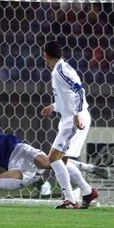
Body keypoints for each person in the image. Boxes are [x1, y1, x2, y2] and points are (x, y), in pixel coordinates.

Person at [41, 40, 98, 209]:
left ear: (45, 55)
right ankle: (88, 192)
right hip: (69, 118)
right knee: (62, 160)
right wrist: (53, 106)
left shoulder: (61, 70)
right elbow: (66, 95)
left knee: (53, 159)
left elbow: (79, 90)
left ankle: (70, 199)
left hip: (74, 119)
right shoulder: (59, 69)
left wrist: (76, 115)